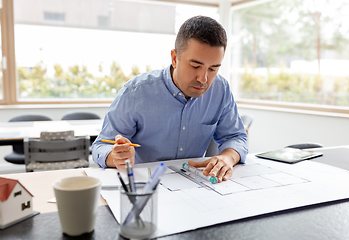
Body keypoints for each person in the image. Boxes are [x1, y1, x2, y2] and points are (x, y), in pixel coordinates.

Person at [92, 15, 248, 183]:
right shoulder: (136, 92)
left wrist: (228, 157)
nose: (203, 79)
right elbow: (101, 146)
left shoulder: (220, 90)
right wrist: (115, 157)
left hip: (193, 184)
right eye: (195, 66)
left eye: (213, 69)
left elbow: (236, 137)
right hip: (143, 186)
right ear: (174, 58)